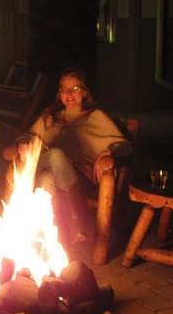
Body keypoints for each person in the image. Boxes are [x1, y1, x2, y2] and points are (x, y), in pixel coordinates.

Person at [16, 68, 131, 245]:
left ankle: (49, 240)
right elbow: (30, 135)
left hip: (79, 177)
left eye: (75, 89)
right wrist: (24, 142)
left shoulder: (96, 116)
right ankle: (77, 224)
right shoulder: (50, 116)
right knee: (56, 155)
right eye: (64, 89)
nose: (69, 94)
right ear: (59, 93)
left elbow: (124, 146)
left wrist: (109, 153)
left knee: (47, 180)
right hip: (45, 162)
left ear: (84, 92)